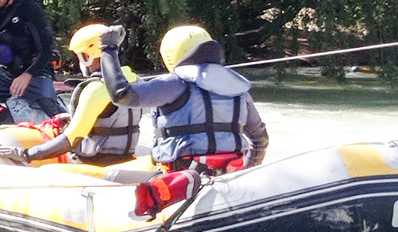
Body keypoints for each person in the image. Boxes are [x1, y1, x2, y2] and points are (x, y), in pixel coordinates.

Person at [96, 23, 269, 172]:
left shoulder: (175, 84)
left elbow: (122, 95)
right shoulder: (238, 87)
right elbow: (260, 140)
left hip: (182, 175)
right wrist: (244, 171)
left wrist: (108, 49)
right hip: (228, 174)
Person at [0, 23, 142, 165]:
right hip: (126, 156)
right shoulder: (135, 79)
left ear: (87, 56)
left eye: (79, 56)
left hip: (95, 162)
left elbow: (70, 140)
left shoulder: (95, 89)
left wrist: (26, 154)